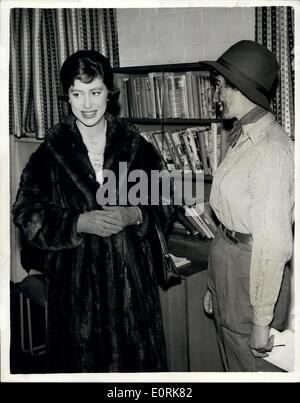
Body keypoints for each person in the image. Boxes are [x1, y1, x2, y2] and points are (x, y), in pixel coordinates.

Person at [12, 50, 173, 373]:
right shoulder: (52, 152)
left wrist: (134, 214)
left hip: (132, 298)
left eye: (95, 92)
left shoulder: (133, 145)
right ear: (67, 97)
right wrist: (78, 222)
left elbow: (166, 199)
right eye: (77, 93)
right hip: (76, 301)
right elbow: (26, 213)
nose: (87, 104)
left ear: (109, 95)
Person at [201, 40, 294, 371]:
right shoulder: (241, 137)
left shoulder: (271, 150)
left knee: (251, 369)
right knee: (232, 363)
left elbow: (273, 244)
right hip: (229, 267)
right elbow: (227, 222)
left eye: (220, 86)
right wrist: (214, 285)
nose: (216, 95)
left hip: (252, 274)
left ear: (237, 87)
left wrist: (261, 319)